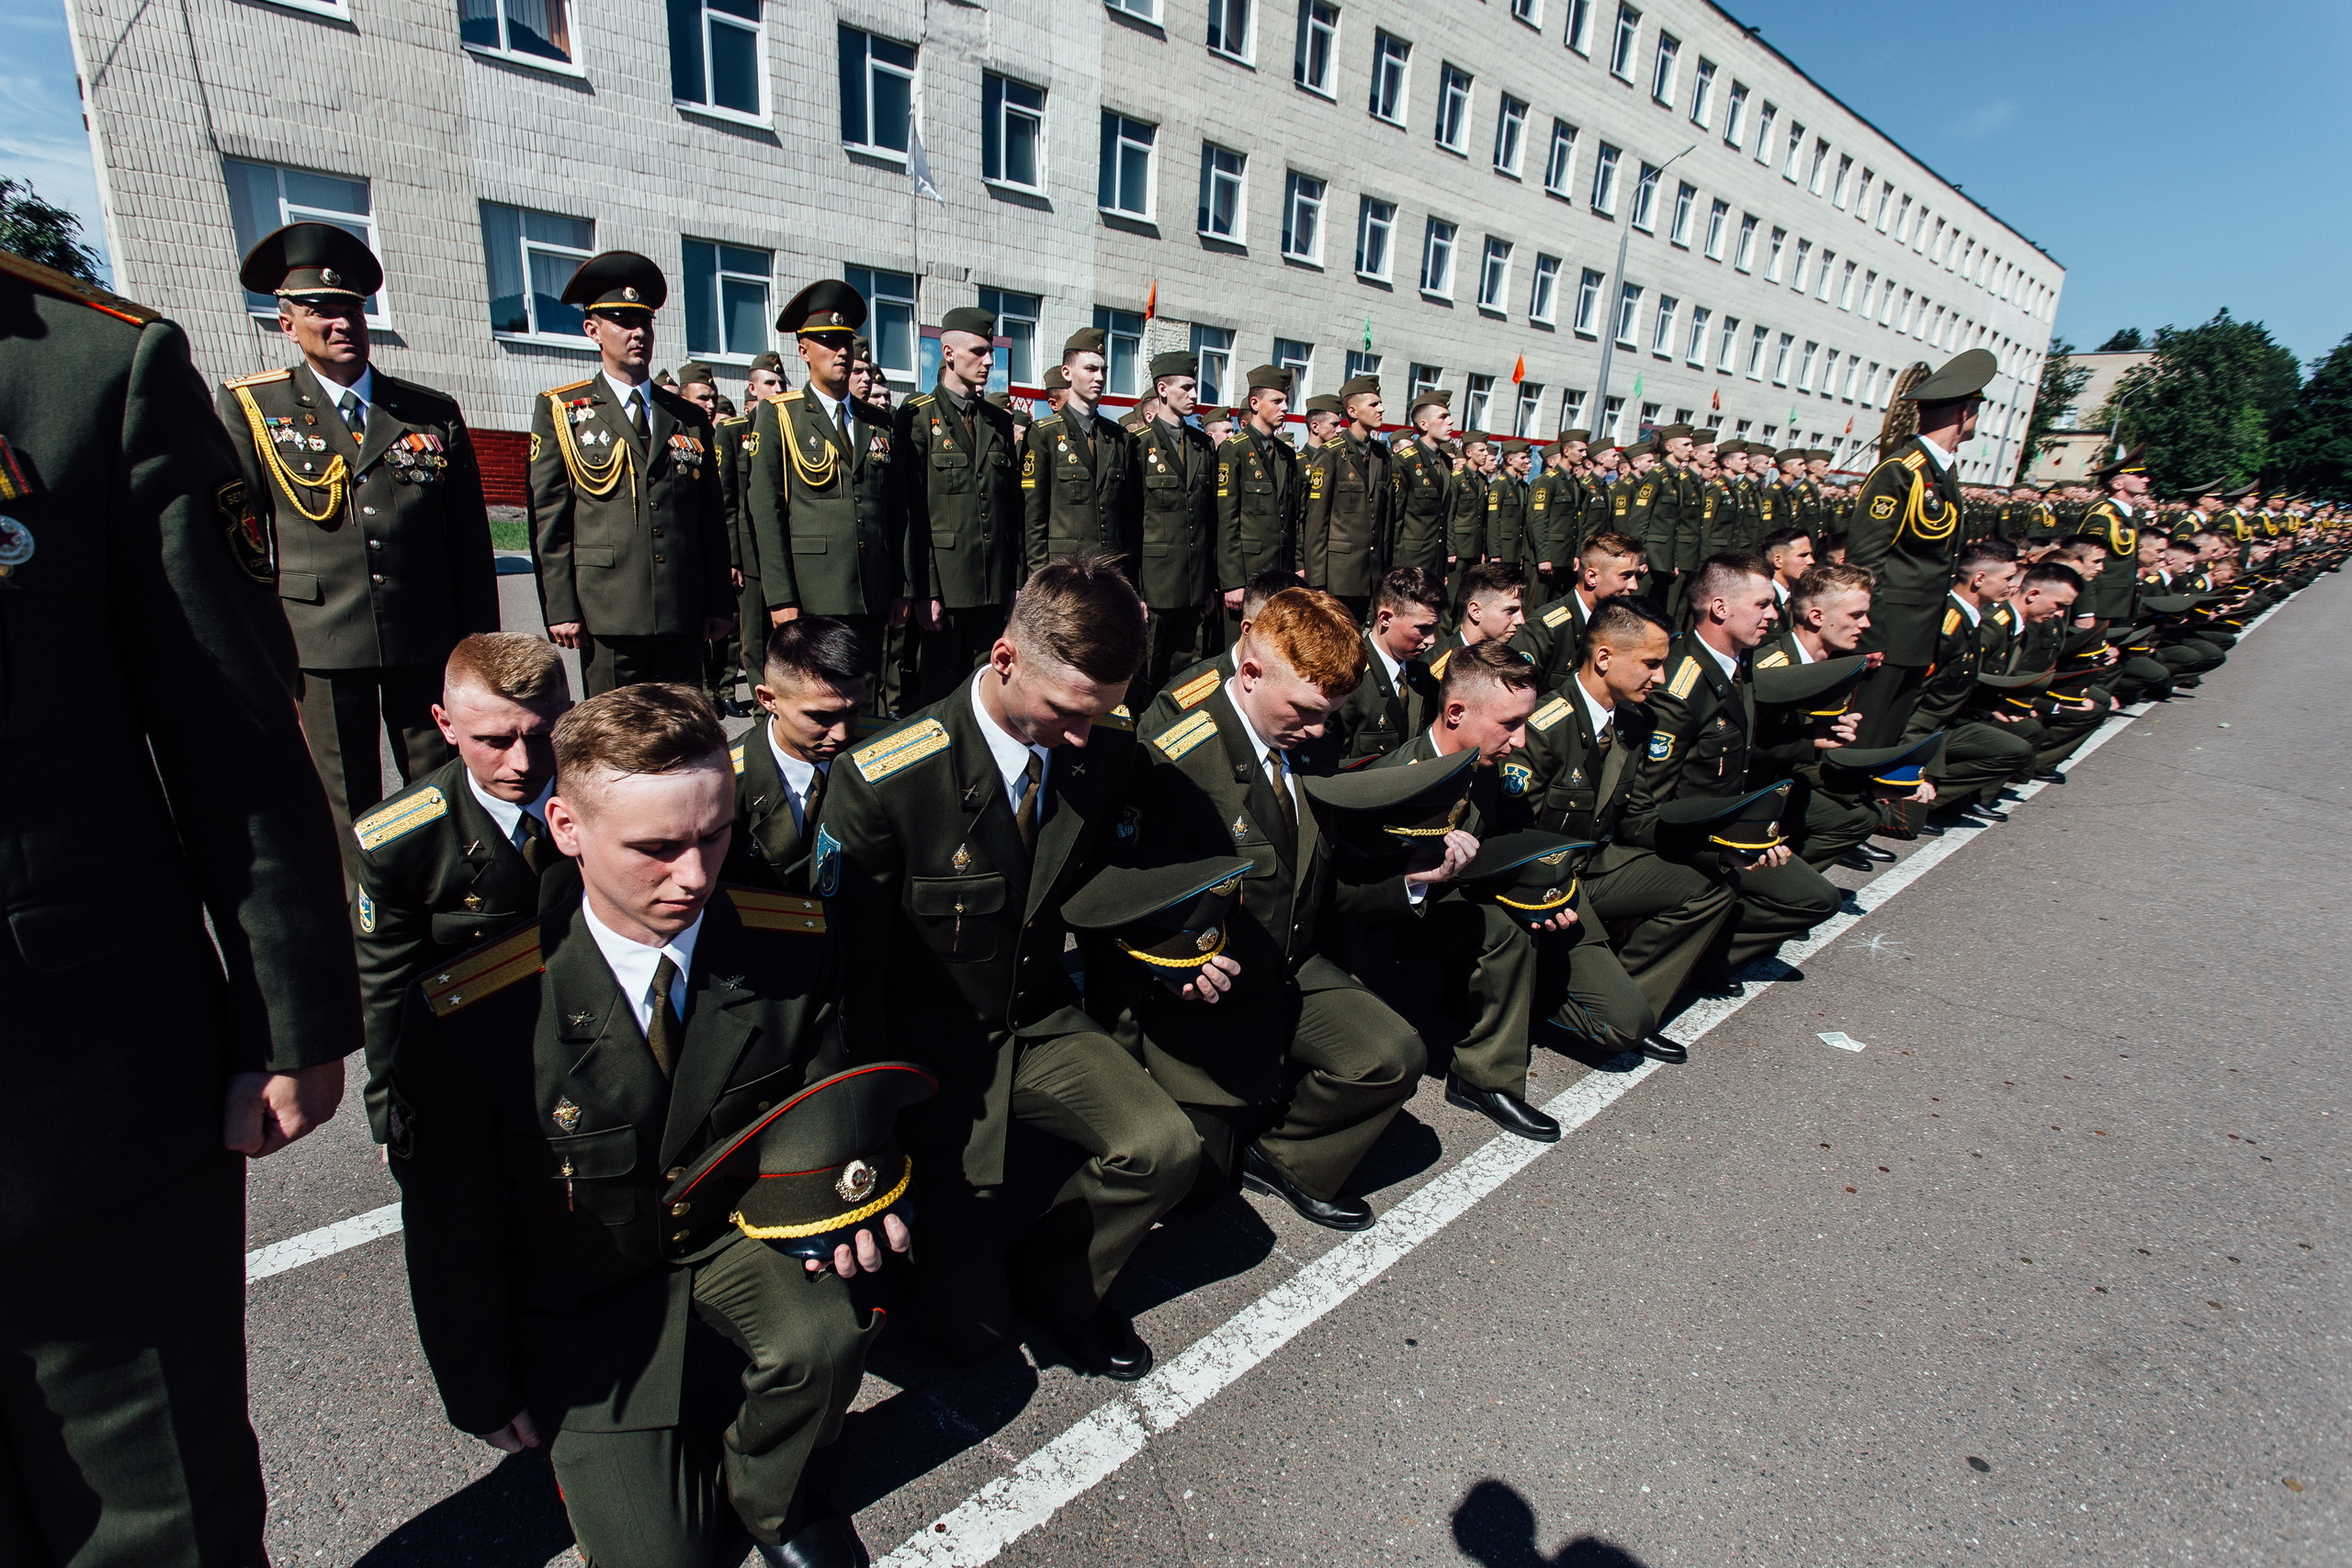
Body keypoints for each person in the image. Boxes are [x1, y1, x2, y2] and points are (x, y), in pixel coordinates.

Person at [0, 249, 356, 1567]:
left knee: (159, 1520)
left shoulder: (82, 370)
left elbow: (234, 730)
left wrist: (287, 1008)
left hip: (73, 1096)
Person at [390, 682, 897, 1568]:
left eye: (714, 834)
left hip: (729, 1237)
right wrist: (478, 1380)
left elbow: (823, 1098)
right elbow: (449, 1225)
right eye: (657, 849)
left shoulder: (792, 940)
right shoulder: (478, 1013)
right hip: (583, 1294)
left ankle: (767, 1491)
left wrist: (850, 1195)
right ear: (567, 827)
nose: (696, 876)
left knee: (826, 1336)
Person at [816, 558, 1199, 1378]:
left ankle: (1063, 1280)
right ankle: (966, 1252)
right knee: (975, 1337)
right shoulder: (886, 780)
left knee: (1163, 1148)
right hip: (933, 1053)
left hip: (1039, 1015)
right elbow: (856, 979)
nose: (1082, 736)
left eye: (1102, 712)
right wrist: (869, 1130)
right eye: (1066, 710)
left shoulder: (1101, 743)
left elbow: (1162, 849)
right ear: (1003, 659)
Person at [1114, 589, 1430, 1216]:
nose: (1319, 729)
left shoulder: (1310, 739)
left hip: (1287, 967)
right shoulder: (1176, 762)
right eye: (1308, 711)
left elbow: (1322, 870)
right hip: (1209, 1003)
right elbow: (1124, 905)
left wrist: (1410, 879)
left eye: (1329, 713)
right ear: (1250, 672)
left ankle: (1287, 1155)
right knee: (1196, 1194)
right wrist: (1141, 1027)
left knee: (1392, 1055)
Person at [218, 222, 498, 875]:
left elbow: (468, 543)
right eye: (321, 311)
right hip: (319, 639)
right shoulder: (255, 408)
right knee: (345, 795)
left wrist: (477, 648)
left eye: (350, 308)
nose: (340, 322)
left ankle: (447, 890)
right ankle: (366, 909)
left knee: (438, 780)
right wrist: (260, 652)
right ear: (288, 323)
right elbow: (244, 544)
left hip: (424, 633)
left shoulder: (428, 412)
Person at [353, 633, 571, 1141]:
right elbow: (389, 992)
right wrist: (397, 1117)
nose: (520, 763)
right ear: (445, 725)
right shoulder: (402, 843)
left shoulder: (617, 796)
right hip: (478, 1062)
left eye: (541, 736)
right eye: (493, 741)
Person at [1503, 596, 1729, 1048]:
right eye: (1650, 663)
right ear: (1603, 657)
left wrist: (1720, 841)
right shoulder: (1544, 726)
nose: (1660, 677)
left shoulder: (1630, 721)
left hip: (1596, 868)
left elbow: (1639, 816)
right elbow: (1512, 838)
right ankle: (1554, 1001)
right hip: (1550, 888)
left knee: (1710, 885)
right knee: (1620, 1027)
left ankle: (1633, 995)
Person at [1623, 554, 1841, 993]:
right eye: (1762, 604)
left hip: (1728, 823)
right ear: (1720, 609)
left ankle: (1705, 957)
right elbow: (1652, 812)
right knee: (1788, 894)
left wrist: (1810, 739)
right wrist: (1725, 849)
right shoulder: (1679, 688)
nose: (1774, 615)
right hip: (1690, 839)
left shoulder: (1740, 665)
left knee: (1817, 899)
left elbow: (1743, 749)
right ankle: (1651, 971)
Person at [528, 252, 732, 695]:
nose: (638, 332)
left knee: (679, 737)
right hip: (608, 609)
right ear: (593, 330)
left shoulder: (686, 417)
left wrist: (717, 601)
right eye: (622, 321)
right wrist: (561, 606)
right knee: (613, 740)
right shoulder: (564, 411)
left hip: (681, 607)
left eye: (645, 321)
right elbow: (552, 519)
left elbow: (709, 520)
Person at [748, 280, 903, 707]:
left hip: (870, 589)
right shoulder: (781, 415)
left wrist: (899, 586)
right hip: (813, 591)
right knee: (819, 700)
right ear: (803, 350)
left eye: (846, 342)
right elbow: (768, 512)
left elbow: (894, 511)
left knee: (866, 700)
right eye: (829, 342)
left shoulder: (879, 422)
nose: (841, 352)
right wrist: (781, 598)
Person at [1847, 349, 1996, 745]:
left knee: (1890, 727)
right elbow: (1866, 562)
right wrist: (1870, 635)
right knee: (1866, 728)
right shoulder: (1901, 470)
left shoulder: (1941, 470)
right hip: (1890, 628)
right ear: (1965, 412)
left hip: (1919, 628)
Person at [899, 306, 1023, 705]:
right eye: (978, 351)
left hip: (991, 582)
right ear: (948, 353)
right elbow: (914, 515)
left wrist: (1013, 584)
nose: (988, 361)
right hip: (946, 587)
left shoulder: (997, 421)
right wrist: (924, 590)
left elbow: (1011, 513)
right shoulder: (917, 417)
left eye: (990, 352)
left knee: (987, 690)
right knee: (937, 692)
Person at [723, 616, 868, 894]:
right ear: (768, 700)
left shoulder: (882, 753)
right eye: (820, 717)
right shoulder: (723, 783)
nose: (841, 733)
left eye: (853, 711)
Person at [1902, 536, 2032, 822]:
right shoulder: (1947, 625)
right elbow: (1912, 701)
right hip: (1919, 733)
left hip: (1944, 727)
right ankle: (1893, 803)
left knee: (2013, 748)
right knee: (1905, 822)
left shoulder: (1970, 618)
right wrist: (1917, 768)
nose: (2014, 586)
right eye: (2009, 578)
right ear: (1980, 578)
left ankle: (1925, 802)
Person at [1132, 350, 1219, 703]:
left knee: (1188, 675)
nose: (1194, 396)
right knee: (1147, 672)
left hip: (1194, 584)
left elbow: (1209, 519)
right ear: (1163, 389)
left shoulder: (1202, 445)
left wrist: (1211, 583)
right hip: (1155, 585)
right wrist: (1136, 591)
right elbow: (1131, 522)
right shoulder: (1139, 445)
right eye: (1186, 387)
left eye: (1195, 387)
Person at [1023, 327, 1139, 571]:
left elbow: (1127, 518)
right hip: (1065, 575)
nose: (1099, 377)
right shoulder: (1045, 434)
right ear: (1067, 372)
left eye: (1103, 370)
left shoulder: (1118, 437)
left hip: (1110, 574)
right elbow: (1035, 519)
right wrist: (1038, 580)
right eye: (1090, 369)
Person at [1311, 566, 1444, 770]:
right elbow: (1332, 765)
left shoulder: (1422, 676)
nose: (1431, 639)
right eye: (1422, 628)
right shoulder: (1349, 679)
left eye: (1433, 627)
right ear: (1385, 618)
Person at [1216, 365, 1305, 644]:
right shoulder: (1235, 449)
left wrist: (1297, 567)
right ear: (1254, 403)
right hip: (1248, 573)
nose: (1285, 407)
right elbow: (1226, 520)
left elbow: (1293, 517)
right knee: (1241, 647)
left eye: (1286, 400)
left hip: (1279, 572)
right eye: (1277, 400)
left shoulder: (1286, 454)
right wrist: (1232, 582)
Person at [1301, 374, 1392, 621]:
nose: (1381, 409)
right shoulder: (1330, 453)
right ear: (1352, 410)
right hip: (1339, 577)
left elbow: (1386, 520)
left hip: (1372, 575)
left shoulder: (1382, 455)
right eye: (1373, 404)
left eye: (1380, 403)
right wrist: (1317, 581)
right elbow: (1317, 522)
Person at [1526, 530, 1646, 692]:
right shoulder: (1544, 628)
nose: (1634, 586)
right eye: (1626, 576)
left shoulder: (1617, 626)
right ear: (1592, 577)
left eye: (1635, 576)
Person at [1392, 389, 1458, 573]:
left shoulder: (1445, 461)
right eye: (1443, 417)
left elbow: (1443, 517)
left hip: (1435, 560)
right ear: (1423, 424)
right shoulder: (1405, 460)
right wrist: (1398, 566)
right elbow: (1395, 519)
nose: (1450, 422)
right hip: (1410, 560)